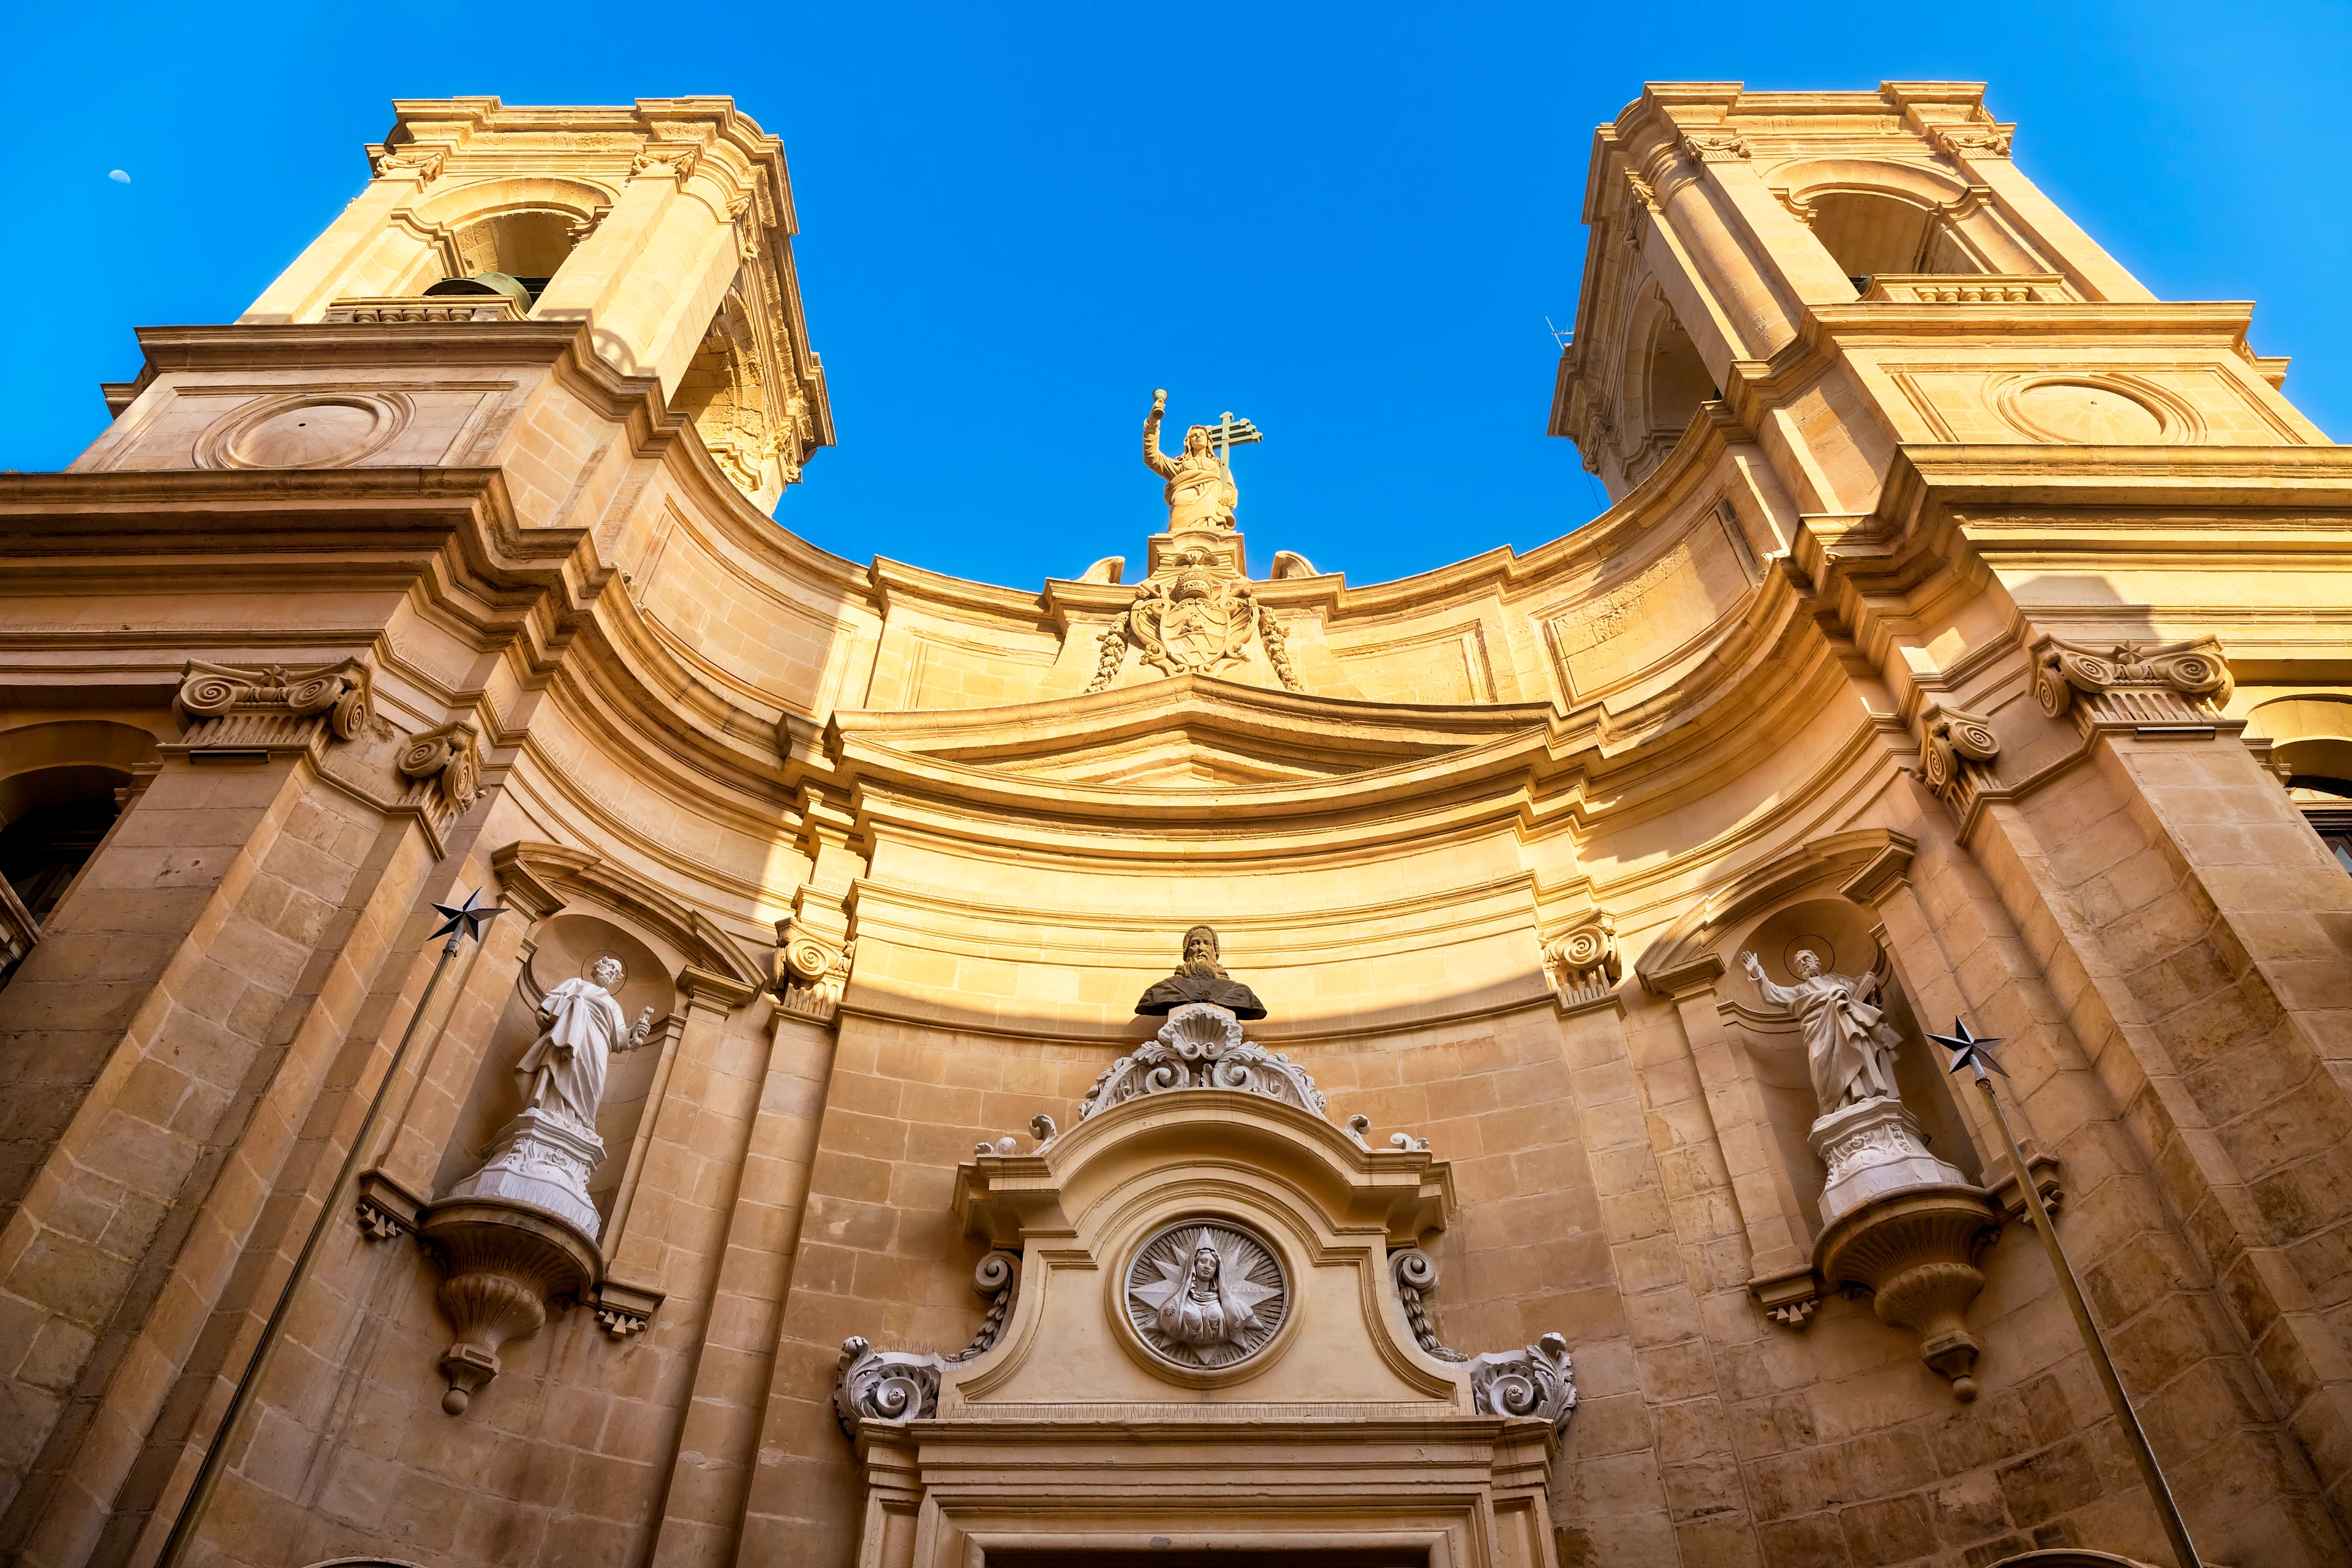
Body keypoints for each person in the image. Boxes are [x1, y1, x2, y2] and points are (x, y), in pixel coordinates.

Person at [1739, 948, 1904, 1115]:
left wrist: (1870, 985)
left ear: (1816, 960)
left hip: (1850, 1027)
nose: (1803, 964)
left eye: (1806, 958)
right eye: (1799, 963)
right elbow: (1773, 994)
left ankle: (1866, 1094)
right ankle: (1840, 1106)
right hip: (1820, 1033)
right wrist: (1757, 973)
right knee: (1823, 1069)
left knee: (1858, 1051)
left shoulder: (1840, 980)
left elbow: (1862, 992)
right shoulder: (1800, 990)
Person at [516, 956, 634, 1131]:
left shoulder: (613, 1005)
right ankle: (550, 1111)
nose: (612, 972)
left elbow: (621, 1038)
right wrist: (543, 1012)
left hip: (597, 1047)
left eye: (616, 972)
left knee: (590, 1081)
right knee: (561, 1068)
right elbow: (550, 1004)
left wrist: (635, 1031)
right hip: (566, 1037)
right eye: (610, 966)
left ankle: (578, 1123)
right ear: (599, 967)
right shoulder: (576, 984)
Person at [1142, 389, 1238, 532]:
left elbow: (1229, 485)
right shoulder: (1180, 465)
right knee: (1181, 504)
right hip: (1183, 500)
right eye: (1194, 435)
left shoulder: (1219, 466)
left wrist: (1228, 493)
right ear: (1189, 441)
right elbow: (1152, 458)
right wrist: (1153, 424)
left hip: (1212, 502)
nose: (1198, 437)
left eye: (1202, 435)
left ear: (1208, 442)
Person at [1136, 925, 1267, 1020]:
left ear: (1215, 953)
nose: (1201, 949)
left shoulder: (1240, 992)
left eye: (1207, 944)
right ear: (1187, 953)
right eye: (1195, 944)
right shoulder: (1161, 990)